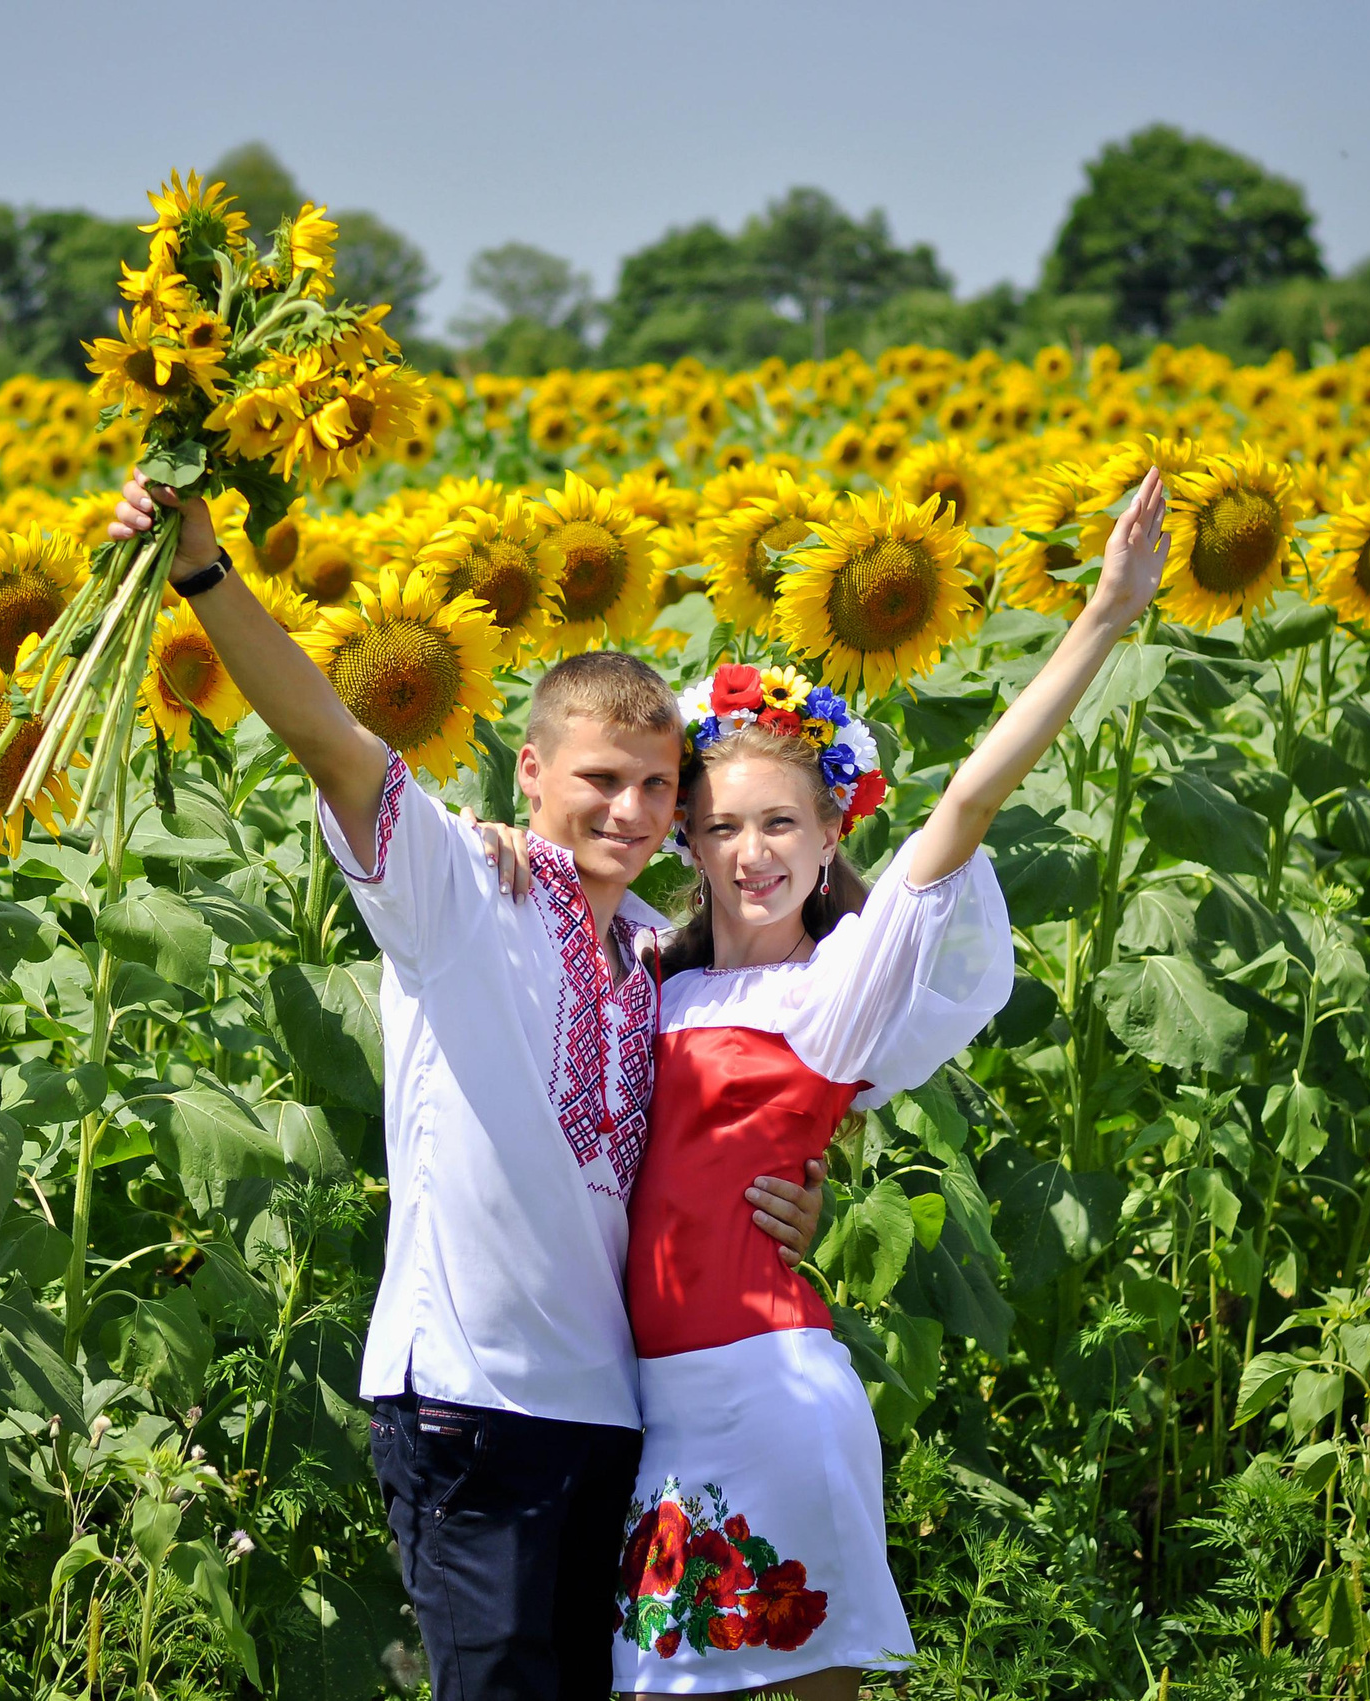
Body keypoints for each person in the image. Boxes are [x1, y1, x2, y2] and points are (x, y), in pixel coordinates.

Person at [105, 475, 828, 1701]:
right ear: (532, 772)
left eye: (658, 788)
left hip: (613, 1410)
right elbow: (329, 739)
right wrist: (204, 574)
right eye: (601, 779)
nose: (632, 810)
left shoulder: (660, 951)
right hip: (470, 1402)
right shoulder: (457, 888)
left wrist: (795, 1201)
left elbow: (751, 1091)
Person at [470, 469, 1171, 1698]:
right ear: (684, 839)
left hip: (773, 1391)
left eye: (783, 825)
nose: (752, 854)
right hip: (650, 1416)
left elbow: (967, 800)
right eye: (724, 826)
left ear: (833, 834)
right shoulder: (646, 973)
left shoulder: (835, 987)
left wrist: (1102, 618)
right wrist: (495, 842)